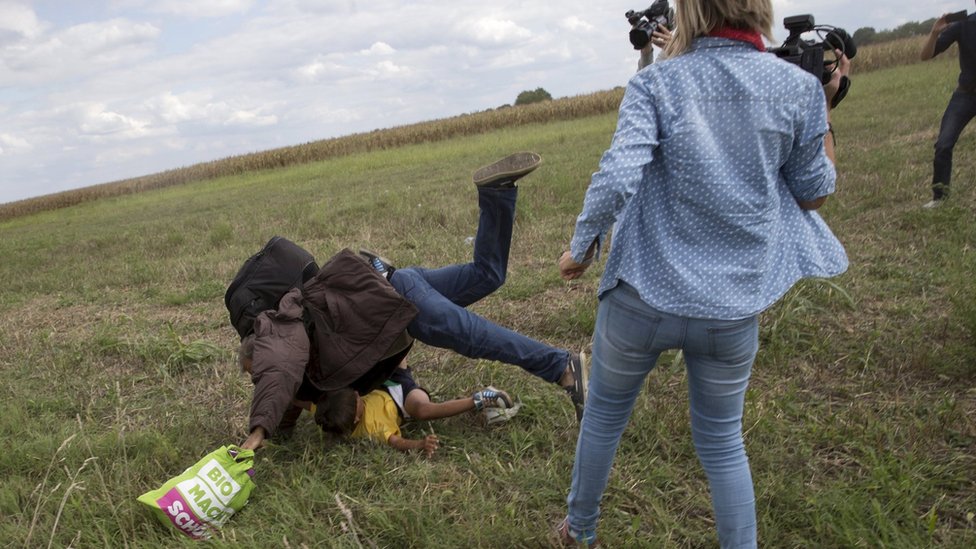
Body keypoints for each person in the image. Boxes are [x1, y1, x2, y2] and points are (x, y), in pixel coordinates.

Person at [554, 0, 851, 546]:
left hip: (641, 296)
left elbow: (618, 175)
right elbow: (815, 194)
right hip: (732, 308)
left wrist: (583, 246)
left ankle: (580, 532)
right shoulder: (797, 88)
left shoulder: (657, 84)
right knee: (721, 442)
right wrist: (826, 105)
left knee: (603, 419)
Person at [239, 152, 587, 452]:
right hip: (398, 284)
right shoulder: (302, 359)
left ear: (260, 348)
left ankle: (561, 367)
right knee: (487, 275)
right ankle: (496, 193)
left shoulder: (281, 334)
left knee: (469, 335)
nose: (257, 378)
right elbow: (285, 393)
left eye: (255, 370)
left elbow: (278, 371)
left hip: (401, 303)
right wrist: (277, 432)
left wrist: (257, 431)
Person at [309, 359, 514, 457]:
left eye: (353, 393)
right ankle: (480, 399)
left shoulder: (325, 410)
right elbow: (396, 441)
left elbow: (302, 402)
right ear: (355, 419)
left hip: (380, 382)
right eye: (357, 401)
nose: (356, 395)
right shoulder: (373, 428)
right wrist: (419, 444)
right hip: (402, 398)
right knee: (423, 410)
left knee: (384, 347)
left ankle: (388, 294)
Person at [920, 6, 976, 208]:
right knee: (944, 145)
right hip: (965, 94)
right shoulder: (964, 25)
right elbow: (925, 55)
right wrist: (935, 33)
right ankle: (940, 198)